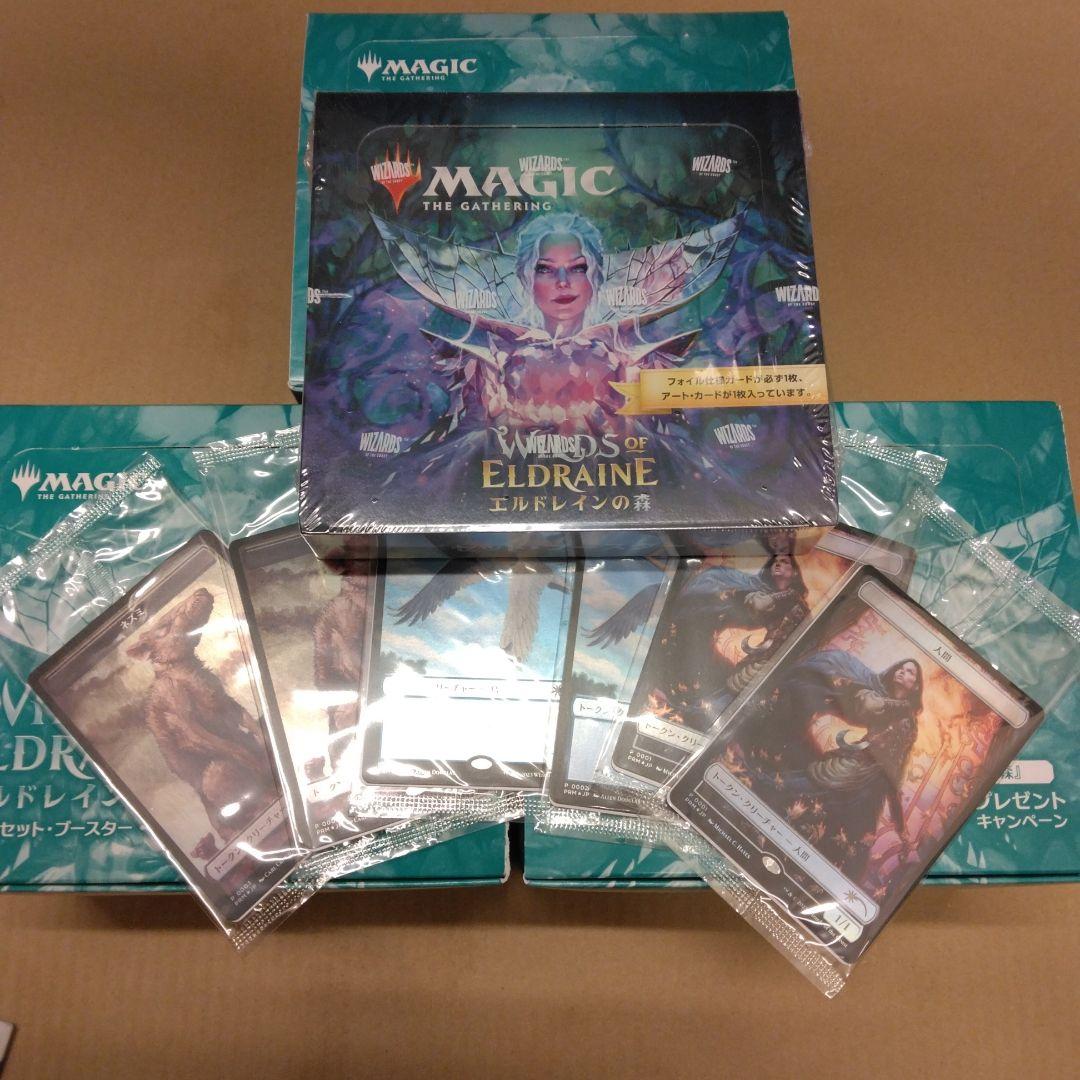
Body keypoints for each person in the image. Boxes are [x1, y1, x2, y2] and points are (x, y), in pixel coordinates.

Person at [738, 652, 924, 882]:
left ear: (916, 685)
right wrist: (898, 706)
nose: (902, 672)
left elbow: (897, 763)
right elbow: (866, 705)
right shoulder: (882, 698)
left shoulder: (908, 720)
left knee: (845, 838)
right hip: (853, 766)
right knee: (801, 791)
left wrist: (899, 820)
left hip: (870, 783)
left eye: (910, 672)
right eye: (900, 668)